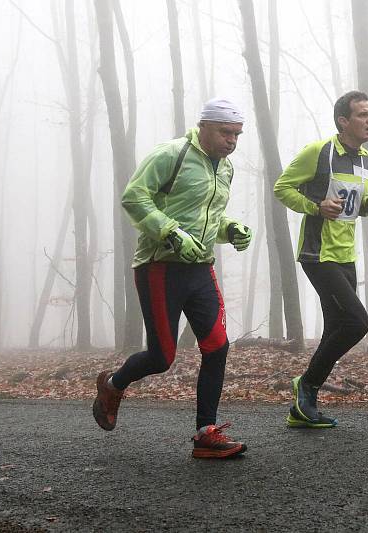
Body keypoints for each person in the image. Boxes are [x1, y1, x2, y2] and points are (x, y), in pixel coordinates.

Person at [92, 98, 253, 459]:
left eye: (238, 134)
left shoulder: (224, 168)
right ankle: (113, 385)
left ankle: (206, 434)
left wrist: (232, 229)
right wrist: (170, 232)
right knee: (162, 357)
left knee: (217, 345)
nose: (232, 141)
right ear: (204, 127)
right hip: (159, 267)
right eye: (226, 132)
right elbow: (134, 198)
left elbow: (210, 216)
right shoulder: (171, 155)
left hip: (201, 269)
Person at [274, 90, 368, 428]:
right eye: (363, 115)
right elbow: (282, 187)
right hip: (317, 253)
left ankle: (302, 408)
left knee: (335, 328)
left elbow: (355, 206)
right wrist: (315, 206)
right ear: (343, 121)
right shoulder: (319, 152)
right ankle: (305, 384)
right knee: (357, 322)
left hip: (345, 254)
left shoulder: (366, 158)